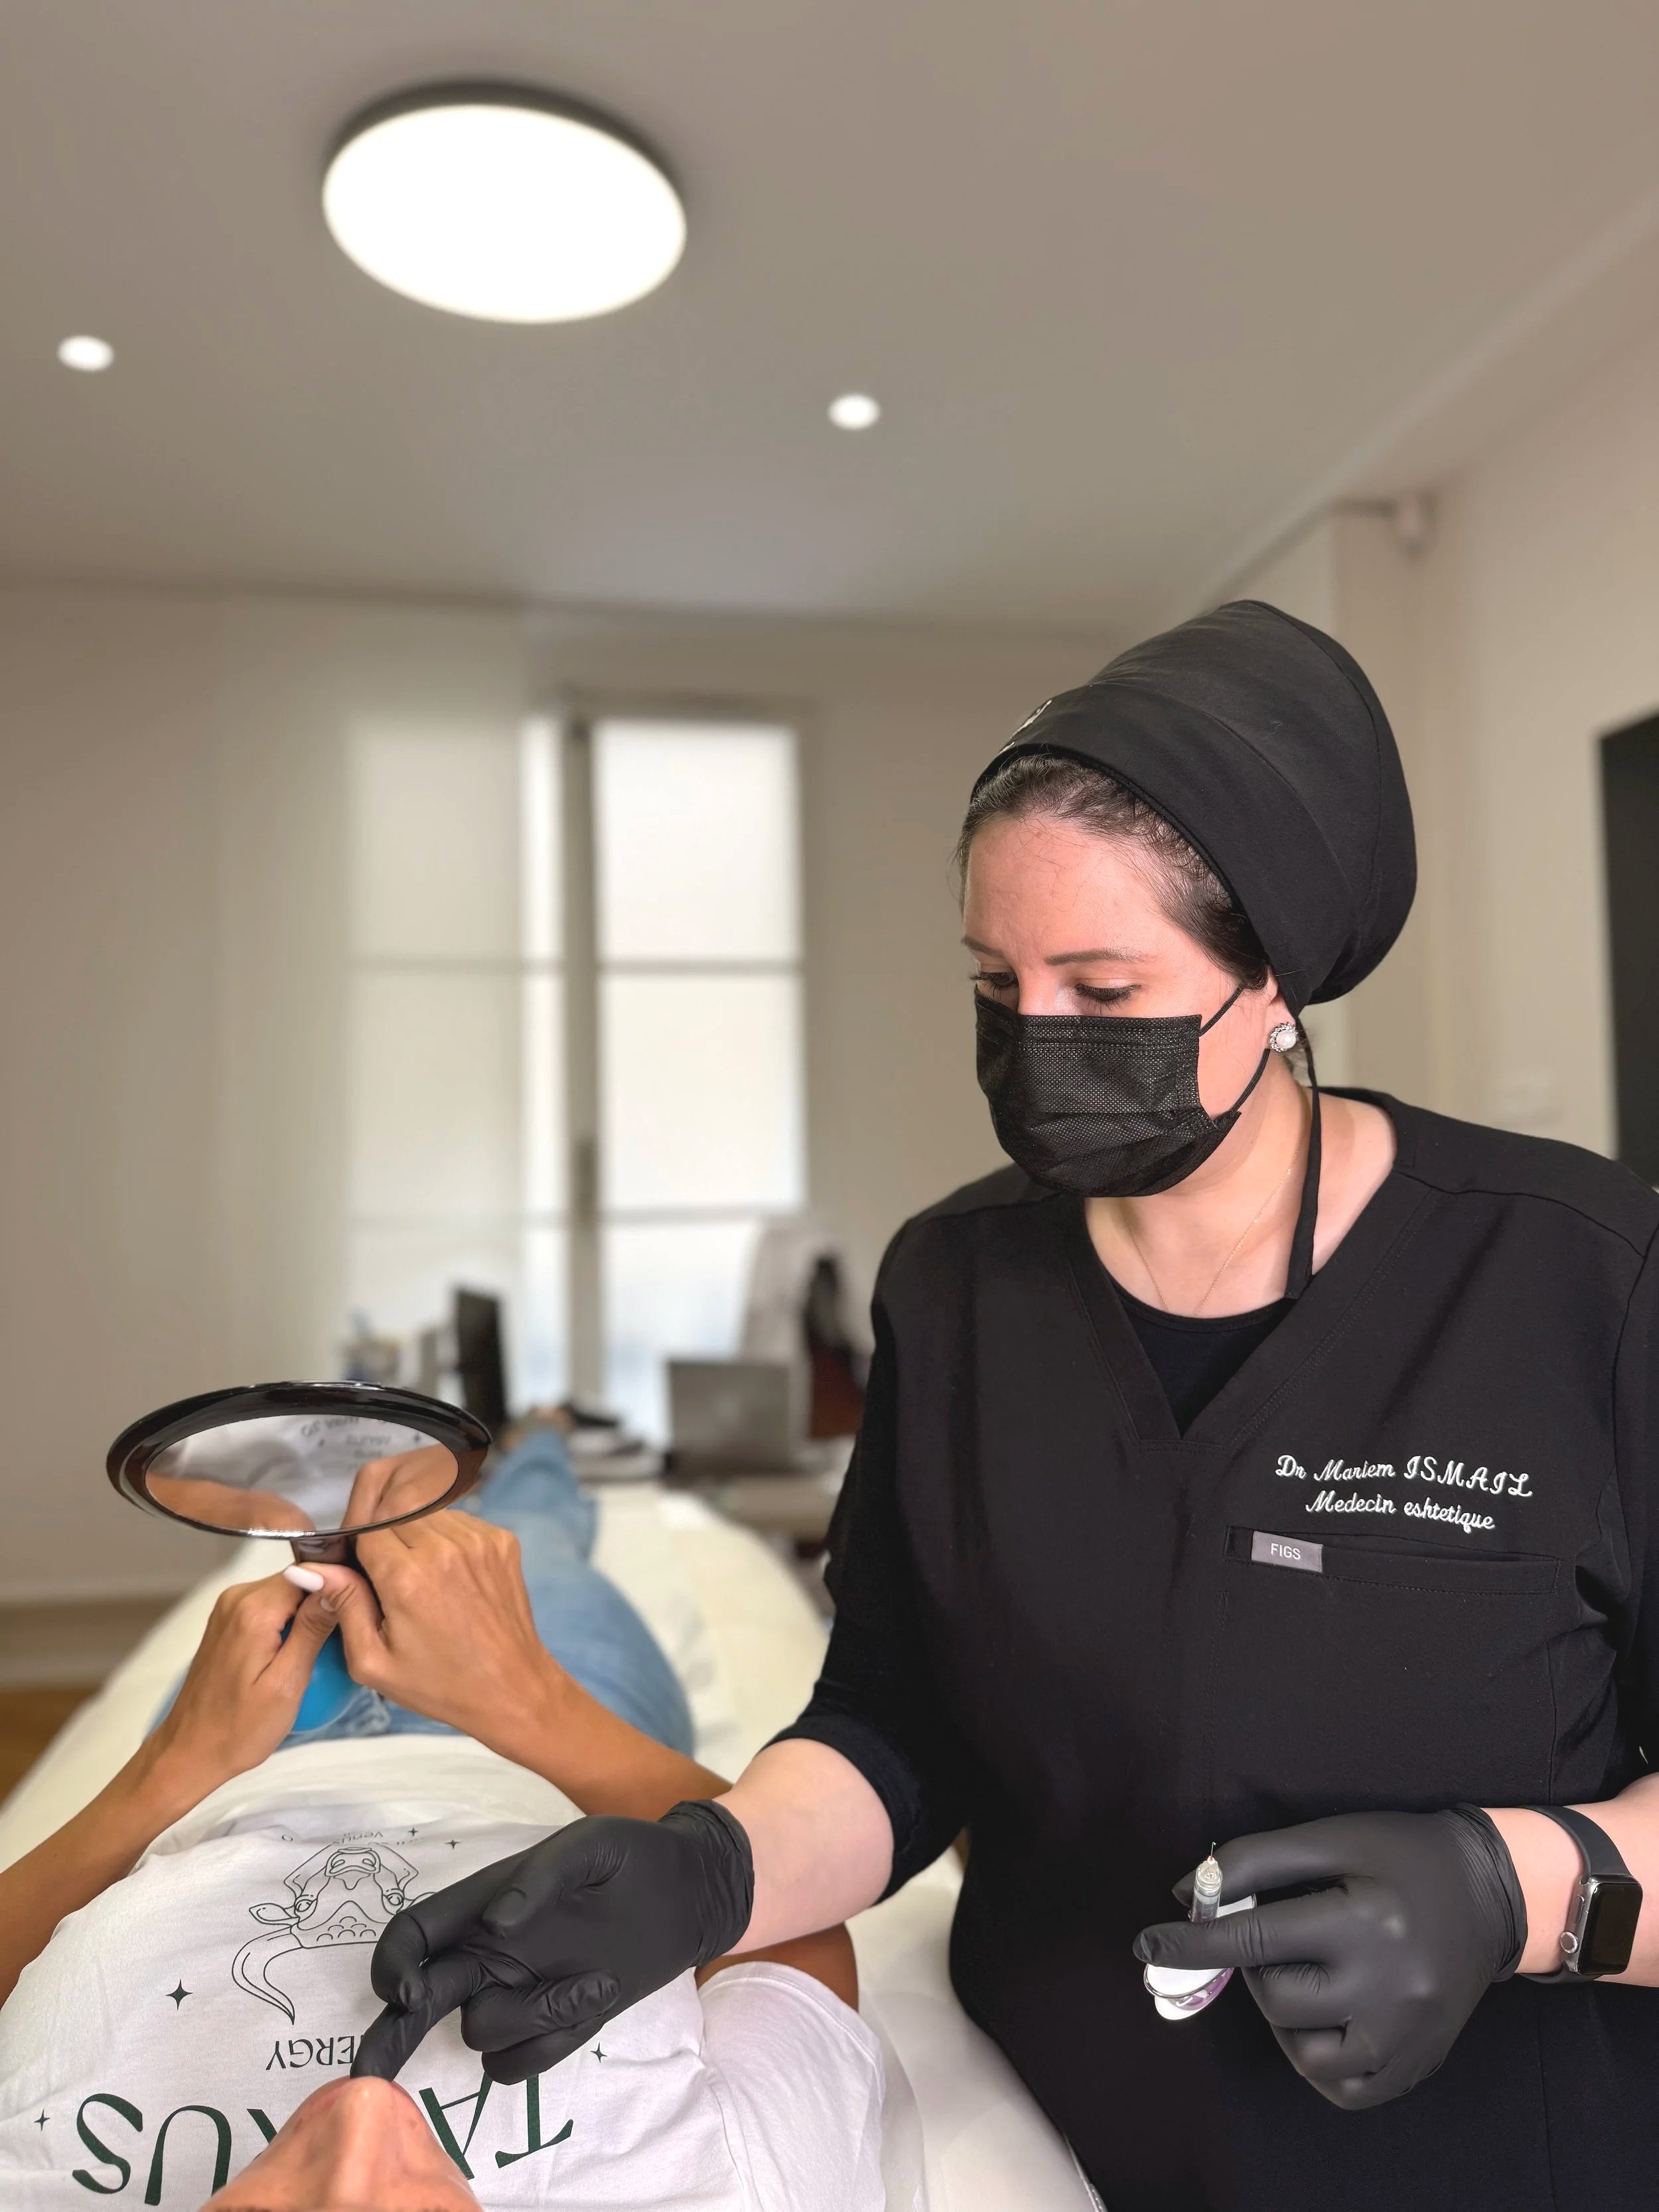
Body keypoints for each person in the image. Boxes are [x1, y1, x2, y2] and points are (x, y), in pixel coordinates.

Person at [364, 601, 1659, 2211]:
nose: (1038, 1036)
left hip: (1488, 2151)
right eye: (997, 979)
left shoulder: (1582, 1280)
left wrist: (1512, 1886)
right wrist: (714, 1867)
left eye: (1104, 985)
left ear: (1278, 979)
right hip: (1038, 2139)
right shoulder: (957, 1286)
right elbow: (900, 1726)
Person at [0, 1430, 887, 2210]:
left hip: (224, 1755)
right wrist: (528, 1698)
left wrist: (171, 1767)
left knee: (367, 1535)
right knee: (532, 1523)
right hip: (538, 1738)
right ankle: (541, 1434)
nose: (358, 2119)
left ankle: (390, 1475)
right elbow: (791, 1928)